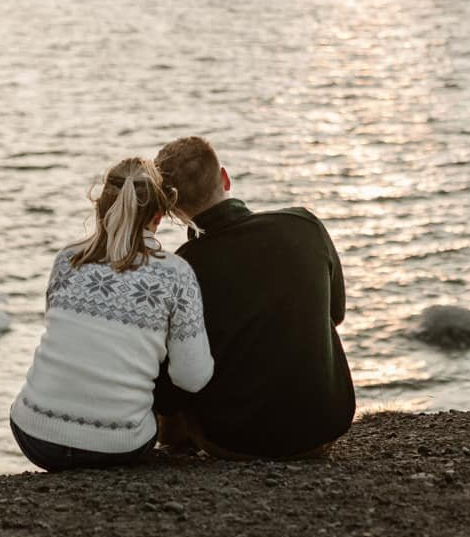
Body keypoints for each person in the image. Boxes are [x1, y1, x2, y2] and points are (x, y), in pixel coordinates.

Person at [151, 137, 354, 458]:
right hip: (322, 427)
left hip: (233, 440)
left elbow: (170, 386)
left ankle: (173, 445)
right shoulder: (304, 225)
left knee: (175, 356)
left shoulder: (179, 269)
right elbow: (336, 313)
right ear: (225, 178)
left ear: (172, 210)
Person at [8, 157, 212, 470]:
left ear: (102, 208)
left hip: (35, 436)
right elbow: (192, 378)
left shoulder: (68, 260)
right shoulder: (175, 274)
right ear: (158, 215)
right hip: (119, 448)